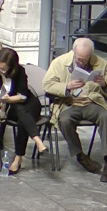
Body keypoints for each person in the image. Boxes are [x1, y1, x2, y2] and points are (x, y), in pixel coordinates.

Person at [42, 37, 107, 177]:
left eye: (85, 59)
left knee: (105, 116)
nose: (82, 62)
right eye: (79, 59)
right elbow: (47, 85)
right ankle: (80, 156)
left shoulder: (101, 63)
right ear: (73, 52)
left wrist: (104, 84)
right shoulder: (59, 62)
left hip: (92, 101)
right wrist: (66, 86)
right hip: (69, 103)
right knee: (65, 120)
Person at [0, 48, 47, 174]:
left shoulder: (20, 71)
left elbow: (23, 96)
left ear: (11, 67)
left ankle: (18, 158)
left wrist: (8, 99)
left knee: (22, 116)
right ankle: (37, 141)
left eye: (2, 69)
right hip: (11, 106)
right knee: (21, 114)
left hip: (27, 103)